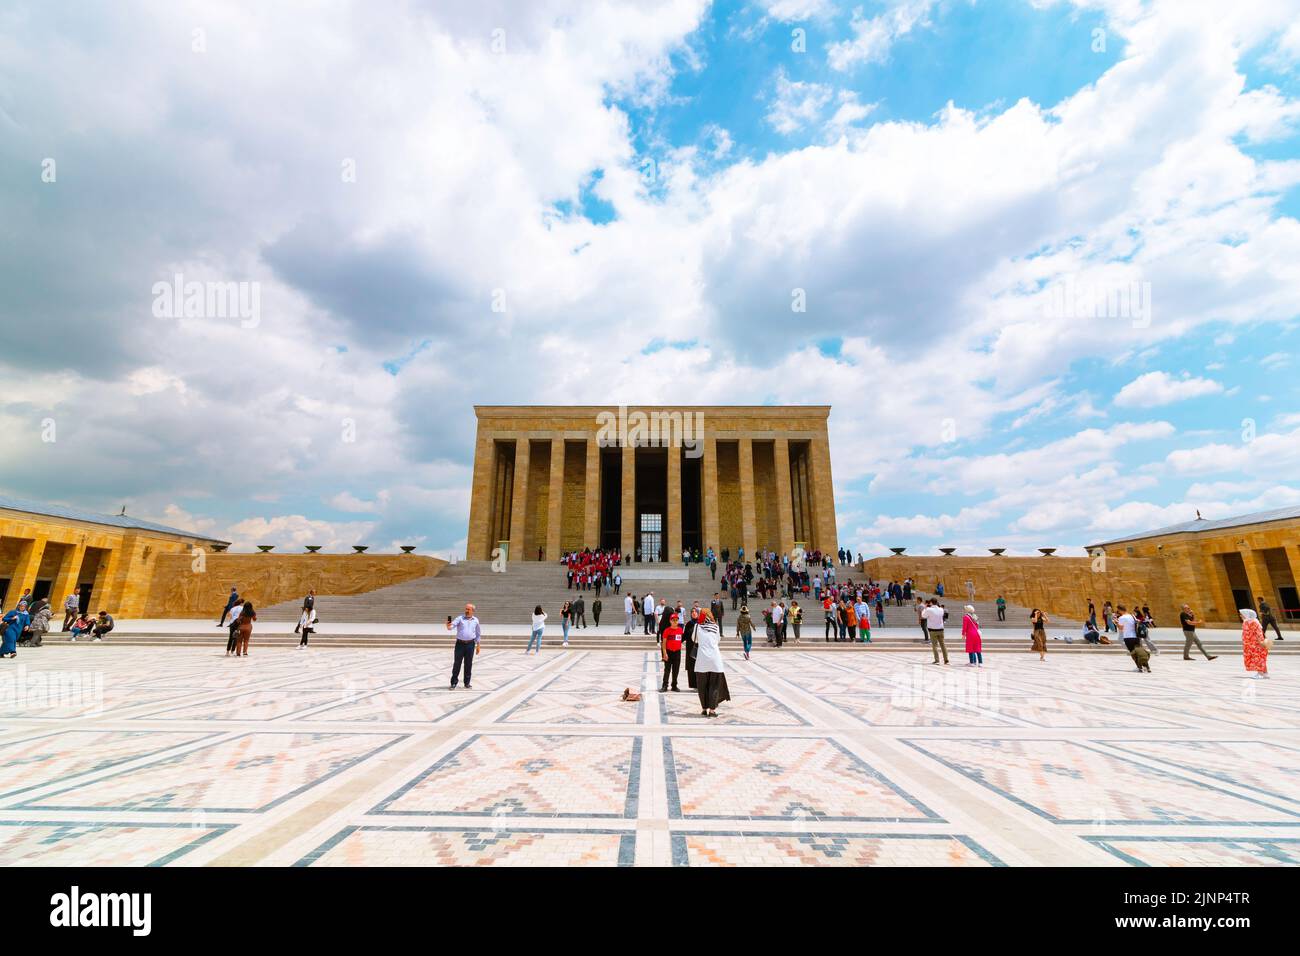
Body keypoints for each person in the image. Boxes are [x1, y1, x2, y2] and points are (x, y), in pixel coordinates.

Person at [692, 610, 730, 717]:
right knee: (714, 685)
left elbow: (693, 639)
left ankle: (704, 709)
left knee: (702, 685)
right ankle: (712, 710)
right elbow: (717, 640)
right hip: (715, 659)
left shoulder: (697, 626)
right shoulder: (716, 627)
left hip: (702, 660)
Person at [446, 603, 482, 688]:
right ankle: (454, 682)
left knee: (468, 664)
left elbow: (478, 633)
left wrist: (478, 645)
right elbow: (452, 626)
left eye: (468, 609)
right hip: (460, 644)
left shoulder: (476, 620)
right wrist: (448, 626)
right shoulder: (460, 618)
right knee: (457, 663)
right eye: (466, 609)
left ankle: (467, 683)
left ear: (472, 611)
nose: (466, 611)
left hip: (470, 644)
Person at [1240, 608, 1270, 679]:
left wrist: (1260, 642)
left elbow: (1258, 633)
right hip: (1250, 644)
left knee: (1258, 658)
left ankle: (1260, 673)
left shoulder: (1254, 622)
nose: (1241, 615)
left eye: (1242, 614)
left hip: (1256, 644)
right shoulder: (1246, 622)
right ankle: (1265, 673)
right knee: (1258, 658)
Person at [660, 613, 683, 692]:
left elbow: (680, 640)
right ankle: (664, 685)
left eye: (676, 620)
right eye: (673, 620)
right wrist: (664, 653)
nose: (675, 622)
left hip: (677, 652)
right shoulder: (667, 630)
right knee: (667, 670)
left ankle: (674, 685)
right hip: (669, 652)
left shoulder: (680, 630)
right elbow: (664, 643)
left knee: (676, 670)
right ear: (670, 621)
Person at [922, 599, 949, 665]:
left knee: (935, 645)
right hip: (941, 629)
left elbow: (923, 616)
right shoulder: (941, 609)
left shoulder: (929, 609)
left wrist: (925, 608)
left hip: (933, 630)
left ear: (931, 602)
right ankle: (946, 660)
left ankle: (937, 660)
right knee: (943, 645)